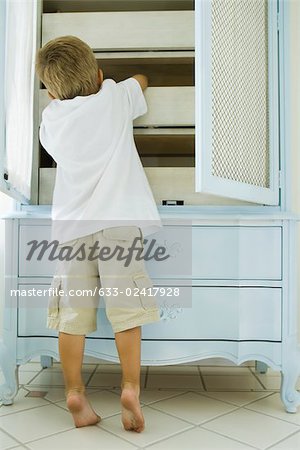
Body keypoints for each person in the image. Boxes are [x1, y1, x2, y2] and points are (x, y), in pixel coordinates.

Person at [35, 35, 162, 432]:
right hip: (119, 224)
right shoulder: (116, 97)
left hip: (72, 231)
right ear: (99, 74)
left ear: (52, 91)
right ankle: (129, 388)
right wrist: (114, 83)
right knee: (127, 313)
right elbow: (141, 79)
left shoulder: (52, 119)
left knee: (71, 317)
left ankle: (74, 392)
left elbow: (57, 120)